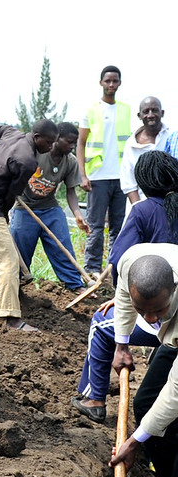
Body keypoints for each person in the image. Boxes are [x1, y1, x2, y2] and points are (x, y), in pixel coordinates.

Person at [73, 151, 178, 423]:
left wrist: (127, 302)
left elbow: (120, 260)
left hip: (158, 312)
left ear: (141, 181)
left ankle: (94, 398)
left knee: (100, 323)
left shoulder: (143, 210)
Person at [109, 245, 178, 477]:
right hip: (174, 336)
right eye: (144, 311)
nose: (149, 320)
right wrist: (121, 344)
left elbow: (175, 393)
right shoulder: (130, 261)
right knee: (145, 401)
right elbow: (124, 298)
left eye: (158, 310)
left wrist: (135, 441)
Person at [0, 119, 58, 331]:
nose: (50, 148)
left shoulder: (10, 133)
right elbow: (10, 195)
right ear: (37, 137)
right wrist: (3, 214)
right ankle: (11, 318)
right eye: (48, 143)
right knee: (8, 262)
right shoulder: (27, 162)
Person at [10, 122, 90, 294]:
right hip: (24, 208)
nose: (72, 146)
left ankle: (75, 284)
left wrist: (77, 215)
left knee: (62, 245)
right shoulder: (37, 154)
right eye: (69, 142)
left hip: (49, 208)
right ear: (56, 139)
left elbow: (71, 192)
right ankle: (15, 286)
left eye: (74, 143)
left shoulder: (70, 162)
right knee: (20, 249)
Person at [76, 66, 132, 277]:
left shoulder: (126, 110)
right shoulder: (90, 110)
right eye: (107, 81)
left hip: (121, 178)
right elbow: (80, 144)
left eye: (114, 81)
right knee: (96, 225)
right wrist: (82, 174)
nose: (111, 85)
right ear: (101, 83)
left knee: (119, 226)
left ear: (119, 83)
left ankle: (115, 267)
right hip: (97, 177)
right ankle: (92, 269)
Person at [119, 96, 170, 205]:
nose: (150, 115)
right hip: (141, 203)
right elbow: (128, 182)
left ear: (162, 113)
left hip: (170, 205)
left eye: (155, 110)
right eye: (146, 111)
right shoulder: (131, 144)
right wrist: (140, 209)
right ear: (139, 116)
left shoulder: (171, 138)